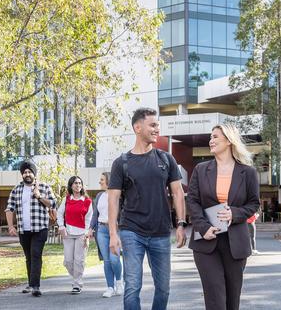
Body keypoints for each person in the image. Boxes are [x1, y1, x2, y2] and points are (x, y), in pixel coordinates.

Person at [108, 107, 187, 310]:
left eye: (157, 125)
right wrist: (113, 234)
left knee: (164, 288)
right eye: (152, 125)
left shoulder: (166, 159)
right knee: (133, 286)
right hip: (131, 230)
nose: (156, 129)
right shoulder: (121, 163)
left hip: (160, 232)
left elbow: (177, 192)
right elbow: (113, 199)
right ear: (137, 127)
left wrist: (180, 224)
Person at [187, 123, 260, 310]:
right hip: (206, 242)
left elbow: (254, 203)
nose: (211, 140)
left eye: (215, 137)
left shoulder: (248, 172)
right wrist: (203, 227)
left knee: (232, 299)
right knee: (215, 297)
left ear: (228, 140)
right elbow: (193, 201)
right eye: (210, 137)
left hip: (235, 242)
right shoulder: (201, 169)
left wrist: (234, 213)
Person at [6, 159, 57, 297]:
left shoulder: (44, 187)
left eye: (30, 172)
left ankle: (35, 286)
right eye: (25, 172)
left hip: (40, 229)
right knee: (28, 257)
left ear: (34, 173)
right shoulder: (16, 190)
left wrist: (39, 196)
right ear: (22, 174)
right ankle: (30, 283)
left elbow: (52, 204)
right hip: (23, 230)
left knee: (35, 254)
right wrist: (11, 226)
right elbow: (9, 208)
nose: (27, 174)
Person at [89, 172, 124, 298]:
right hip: (101, 230)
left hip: (115, 230)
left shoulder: (118, 195)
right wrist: (90, 229)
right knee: (107, 261)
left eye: (102, 179)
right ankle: (110, 287)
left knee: (115, 259)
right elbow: (95, 215)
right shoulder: (99, 196)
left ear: (108, 181)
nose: (100, 182)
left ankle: (119, 283)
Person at [57, 176, 93, 294]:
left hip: (81, 234)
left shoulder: (87, 201)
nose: (78, 185)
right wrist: (61, 226)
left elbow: (89, 219)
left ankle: (77, 284)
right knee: (68, 261)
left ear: (82, 186)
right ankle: (78, 277)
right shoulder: (66, 199)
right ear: (71, 185)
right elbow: (59, 213)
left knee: (79, 260)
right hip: (68, 233)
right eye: (75, 183)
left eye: (79, 183)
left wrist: (87, 234)